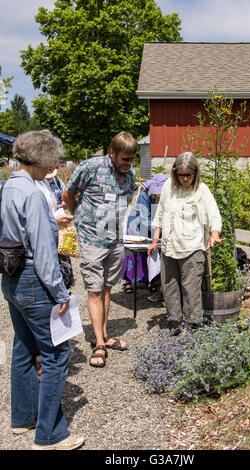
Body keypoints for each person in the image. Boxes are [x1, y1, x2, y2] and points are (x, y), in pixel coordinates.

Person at [0, 130, 84, 450]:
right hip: (34, 280)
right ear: (42, 158)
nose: (56, 164)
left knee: (23, 347)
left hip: (11, 278)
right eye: (53, 158)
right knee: (55, 355)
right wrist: (60, 292)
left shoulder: (10, 185)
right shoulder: (34, 194)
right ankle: (50, 435)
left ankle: (23, 418)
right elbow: (44, 251)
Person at [63, 132, 137, 368]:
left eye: (131, 159)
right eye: (124, 159)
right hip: (92, 239)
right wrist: (75, 219)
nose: (128, 163)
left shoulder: (130, 174)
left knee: (107, 288)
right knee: (94, 290)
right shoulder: (90, 167)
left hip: (115, 240)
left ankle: (104, 334)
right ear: (112, 152)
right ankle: (98, 344)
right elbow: (69, 193)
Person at [148, 151, 223, 334]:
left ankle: (190, 326)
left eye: (189, 175)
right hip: (169, 246)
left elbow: (213, 215)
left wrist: (214, 234)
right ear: (175, 173)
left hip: (192, 247)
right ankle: (175, 322)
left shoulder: (202, 191)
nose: (185, 178)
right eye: (181, 174)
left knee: (191, 289)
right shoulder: (168, 188)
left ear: (196, 173)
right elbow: (160, 214)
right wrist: (155, 240)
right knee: (169, 287)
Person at [122, 173, 167, 301]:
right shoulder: (144, 196)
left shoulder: (166, 197)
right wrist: (159, 230)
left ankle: (152, 282)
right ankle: (129, 282)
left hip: (152, 228)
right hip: (137, 226)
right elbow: (143, 219)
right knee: (135, 256)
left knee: (151, 253)